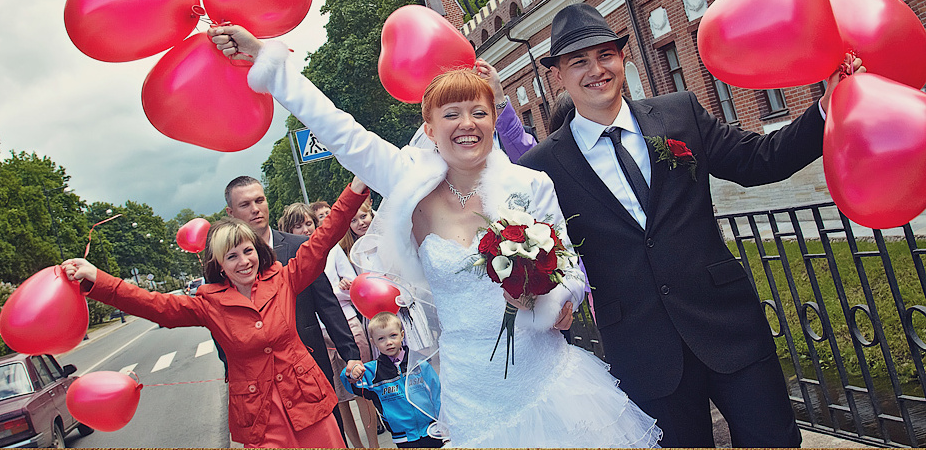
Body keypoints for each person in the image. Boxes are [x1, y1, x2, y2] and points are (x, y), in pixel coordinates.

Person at [210, 24, 661, 447]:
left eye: (479, 112)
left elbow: (569, 269)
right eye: (452, 114)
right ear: (430, 128)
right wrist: (268, 61)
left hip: (547, 374)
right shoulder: (408, 183)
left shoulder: (529, 186)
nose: (468, 123)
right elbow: (338, 129)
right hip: (473, 390)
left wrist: (562, 301)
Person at [518, 2, 863, 448]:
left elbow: (759, 160)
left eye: (605, 54)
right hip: (643, 350)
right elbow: (543, 252)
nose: (596, 69)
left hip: (727, 324)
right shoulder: (541, 168)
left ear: (622, 58)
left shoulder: (679, 113)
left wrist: (824, 108)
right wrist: (551, 300)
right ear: (558, 76)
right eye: (578, 61)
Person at [60, 179, 370, 448]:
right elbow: (153, 304)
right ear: (219, 265)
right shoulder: (210, 303)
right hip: (260, 420)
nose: (243, 261)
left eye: (248, 251)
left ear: (258, 252)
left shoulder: (284, 278)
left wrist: (354, 190)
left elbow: (324, 237)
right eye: (231, 256)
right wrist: (97, 281)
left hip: (308, 405)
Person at [225, 176, 363, 442]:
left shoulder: (297, 247)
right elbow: (222, 323)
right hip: (262, 383)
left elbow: (328, 305)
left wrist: (351, 354)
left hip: (311, 365)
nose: (255, 209)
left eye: (259, 200)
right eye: (245, 204)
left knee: (331, 435)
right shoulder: (226, 263)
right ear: (231, 213)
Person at [278, 200, 381, 447]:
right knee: (336, 397)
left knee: (361, 391)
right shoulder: (290, 260)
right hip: (316, 337)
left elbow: (353, 285)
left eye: (309, 223)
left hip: (346, 325)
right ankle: (353, 444)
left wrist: (339, 289)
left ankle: (374, 445)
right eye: (298, 226)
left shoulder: (333, 250)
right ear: (288, 232)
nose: (305, 230)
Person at [343, 312, 443, 448]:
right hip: (403, 438)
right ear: (373, 342)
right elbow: (348, 382)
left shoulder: (420, 364)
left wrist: (444, 423)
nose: (388, 342)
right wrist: (352, 372)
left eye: (393, 335)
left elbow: (437, 395)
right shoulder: (373, 372)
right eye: (381, 339)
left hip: (432, 430)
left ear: (402, 335)